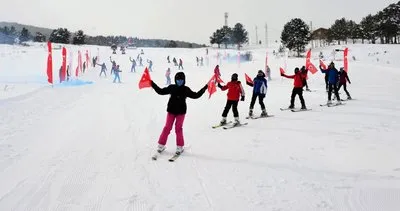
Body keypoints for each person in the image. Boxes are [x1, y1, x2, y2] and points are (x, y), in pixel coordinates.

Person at [151, 72, 208, 155]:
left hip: (181, 113)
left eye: (181, 80)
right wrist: (152, 84)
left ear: (184, 80)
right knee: (167, 127)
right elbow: (161, 91)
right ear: (175, 80)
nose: (179, 81)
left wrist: (205, 88)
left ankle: (179, 147)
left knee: (178, 129)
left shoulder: (186, 89)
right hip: (171, 111)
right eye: (178, 80)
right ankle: (161, 145)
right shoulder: (172, 87)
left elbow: (196, 95)